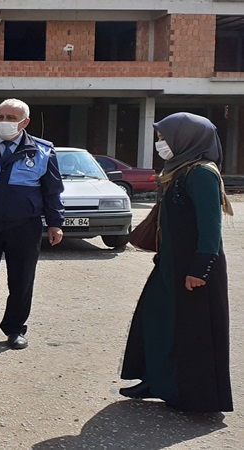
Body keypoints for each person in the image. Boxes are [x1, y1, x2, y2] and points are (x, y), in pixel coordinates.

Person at [120, 112, 233, 413]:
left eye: (163, 137)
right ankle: (155, 380)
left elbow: (211, 230)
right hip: (170, 264)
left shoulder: (201, 174)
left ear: (186, 139)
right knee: (156, 320)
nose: (160, 143)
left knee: (190, 331)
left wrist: (200, 271)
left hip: (193, 269)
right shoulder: (178, 170)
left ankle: (189, 394)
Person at [0, 98, 64, 351]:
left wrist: (55, 223)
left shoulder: (43, 150)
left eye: (10, 118)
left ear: (24, 122)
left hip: (24, 226)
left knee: (22, 280)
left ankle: (15, 329)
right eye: (0, 116)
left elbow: (52, 191)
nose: (3, 122)